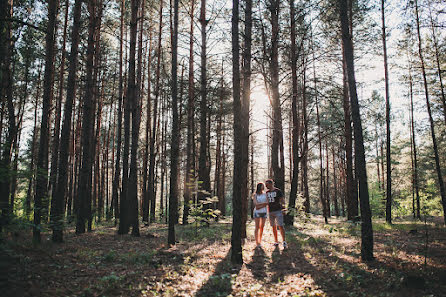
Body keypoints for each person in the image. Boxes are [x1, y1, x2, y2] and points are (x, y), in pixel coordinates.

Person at [265, 179, 287, 248]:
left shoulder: (278, 191)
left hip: (278, 210)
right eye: (265, 185)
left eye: (267, 184)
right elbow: (266, 202)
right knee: (273, 227)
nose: (266, 186)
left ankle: (284, 241)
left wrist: (284, 209)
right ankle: (276, 241)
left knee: (280, 226)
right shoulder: (267, 192)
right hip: (270, 211)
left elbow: (282, 200)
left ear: (271, 184)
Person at [252, 182, 268, 248]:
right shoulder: (255, 195)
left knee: (262, 227)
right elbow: (256, 204)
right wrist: (263, 205)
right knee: (257, 227)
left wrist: (260, 205)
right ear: (259, 187)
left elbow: (267, 203)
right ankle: (257, 242)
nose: (263, 187)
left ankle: (260, 241)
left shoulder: (265, 194)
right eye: (262, 186)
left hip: (264, 212)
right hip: (257, 212)